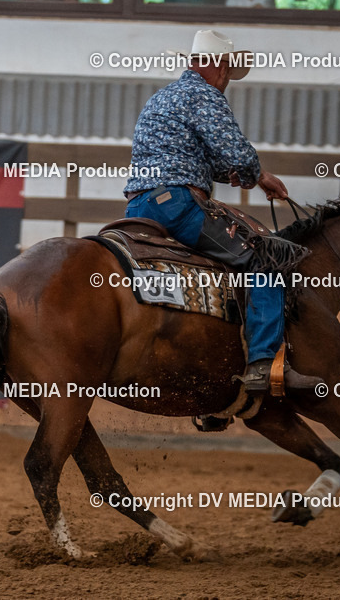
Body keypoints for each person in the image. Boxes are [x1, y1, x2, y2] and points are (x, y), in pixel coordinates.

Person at [123, 29, 323, 395]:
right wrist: (257, 175)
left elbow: (189, 159)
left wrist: (239, 175)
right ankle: (263, 364)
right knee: (264, 261)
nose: (228, 80)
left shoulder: (163, 97)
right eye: (228, 72)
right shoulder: (205, 95)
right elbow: (238, 154)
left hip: (138, 206)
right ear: (219, 67)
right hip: (178, 206)